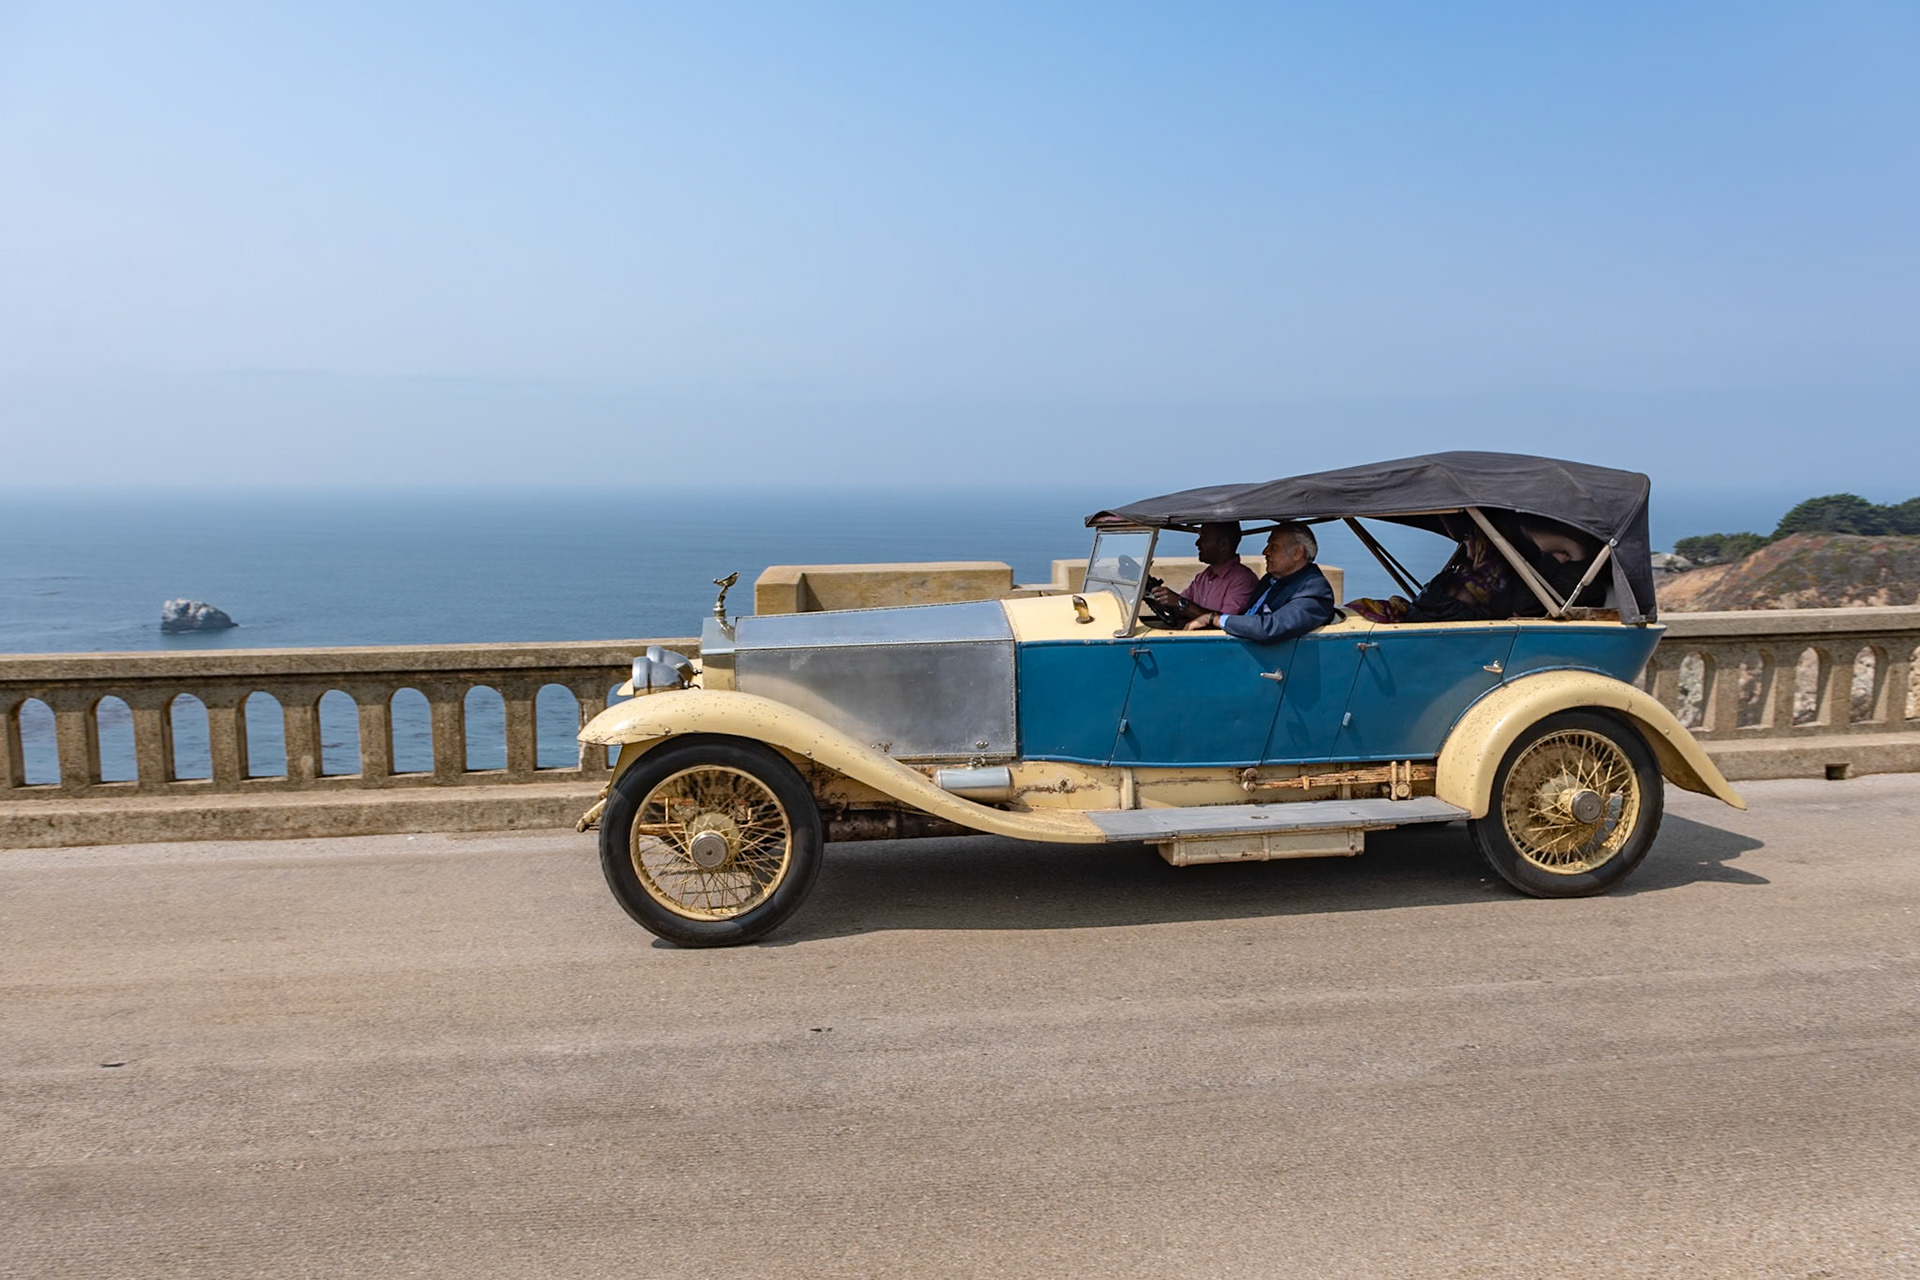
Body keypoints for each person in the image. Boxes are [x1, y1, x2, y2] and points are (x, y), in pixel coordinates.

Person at [1185, 522, 1336, 642]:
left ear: (1297, 553)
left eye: (1273, 547)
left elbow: (1270, 628)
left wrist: (1214, 619)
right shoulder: (1271, 579)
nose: (1265, 552)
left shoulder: (1314, 590)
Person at [1147, 522, 1259, 624]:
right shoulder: (1202, 578)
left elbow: (1227, 623)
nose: (1197, 543)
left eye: (1204, 538)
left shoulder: (1242, 580)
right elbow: (1179, 608)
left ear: (1223, 544)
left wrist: (1181, 603)